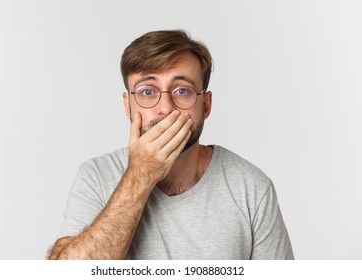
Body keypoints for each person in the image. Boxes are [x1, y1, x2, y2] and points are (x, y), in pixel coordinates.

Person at [48, 29, 294, 260]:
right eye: (147, 91)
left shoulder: (251, 188)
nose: (165, 108)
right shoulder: (97, 176)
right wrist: (140, 175)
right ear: (128, 105)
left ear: (205, 105)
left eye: (182, 91)